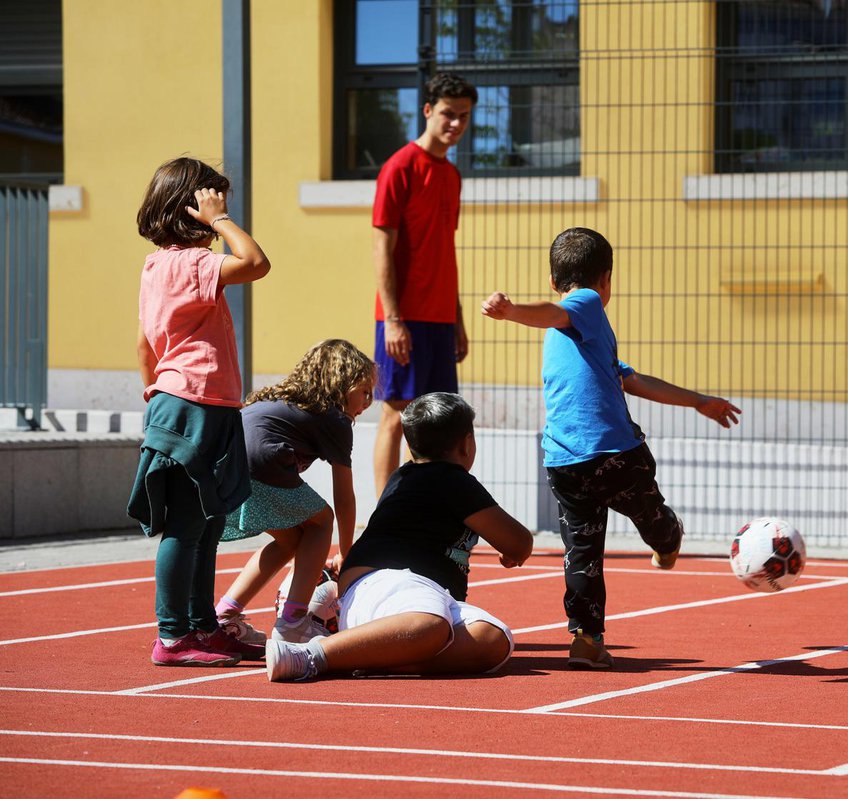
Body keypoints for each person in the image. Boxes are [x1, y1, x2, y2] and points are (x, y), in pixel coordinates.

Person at [480, 227, 742, 669]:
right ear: (606, 281)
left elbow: (633, 380)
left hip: (565, 462)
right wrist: (511, 312)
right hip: (615, 454)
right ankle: (667, 538)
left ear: (551, 277)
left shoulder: (584, 336)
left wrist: (699, 401)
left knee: (582, 552)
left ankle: (585, 637)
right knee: (651, 516)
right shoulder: (583, 303)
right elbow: (554, 310)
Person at [266, 392, 534, 682]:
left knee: (493, 639)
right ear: (467, 444)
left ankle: (372, 656)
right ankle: (312, 655)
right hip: (393, 583)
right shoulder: (451, 478)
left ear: (409, 444)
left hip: (411, 595)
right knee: (430, 625)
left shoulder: (404, 477)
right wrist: (510, 551)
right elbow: (519, 543)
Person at [128, 157, 271, 667]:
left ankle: (202, 627)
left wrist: (157, 396)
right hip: (195, 405)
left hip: (188, 402)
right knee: (190, 525)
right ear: (193, 210)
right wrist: (223, 223)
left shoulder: (155, 266)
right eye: (215, 202)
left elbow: (146, 348)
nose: (223, 210)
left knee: (208, 523)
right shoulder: (192, 263)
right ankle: (172, 637)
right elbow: (256, 263)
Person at [215, 339, 376, 646]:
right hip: (259, 461)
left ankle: (224, 615)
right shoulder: (335, 419)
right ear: (339, 384)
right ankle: (293, 622)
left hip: (224, 466)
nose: (368, 400)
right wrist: (347, 551)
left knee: (292, 540)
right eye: (363, 391)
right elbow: (344, 497)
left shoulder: (286, 400)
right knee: (322, 520)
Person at [371, 72, 478, 498]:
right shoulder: (399, 167)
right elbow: (381, 248)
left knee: (439, 421)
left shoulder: (451, 176)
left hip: (438, 317)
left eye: (465, 117)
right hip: (403, 318)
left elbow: (443, 250)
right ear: (428, 110)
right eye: (449, 114)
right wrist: (393, 320)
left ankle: (426, 505)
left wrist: (458, 319)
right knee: (397, 414)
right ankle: (382, 514)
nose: (456, 124)